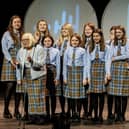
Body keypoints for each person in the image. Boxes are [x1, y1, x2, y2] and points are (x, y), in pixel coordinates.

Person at [16, 33, 47, 124]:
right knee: (31, 97)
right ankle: (32, 117)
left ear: (31, 40)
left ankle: (41, 117)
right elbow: (19, 64)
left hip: (38, 74)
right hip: (27, 74)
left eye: (26, 39)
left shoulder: (39, 49)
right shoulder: (21, 50)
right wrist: (18, 65)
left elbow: (41, 64)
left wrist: (32, 61)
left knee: (38, 96)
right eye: (23, 40)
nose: (24, 41)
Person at [0, 15, 24, 119]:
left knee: (18, 87)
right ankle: (5, 110)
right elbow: (4, 49)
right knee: (10, 86)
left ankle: (16, 111)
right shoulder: (7, 34)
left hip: (20, 59)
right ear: (12, 23)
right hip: (10, 60)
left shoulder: (22, 34)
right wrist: (11, 60)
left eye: (19, 22)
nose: (17, 24)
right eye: (15, 22)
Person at [106, 25, 129, 123]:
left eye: (120, 32)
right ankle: (117, 114)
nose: (118, 34)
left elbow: (128, 55)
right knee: (116, 94)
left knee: (123, 94)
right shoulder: (112, 43)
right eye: (116, 32)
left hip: (124, 68)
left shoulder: (127, 42)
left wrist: (116, 58)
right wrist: (108, 72)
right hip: (114, 69)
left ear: (123, 33)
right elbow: (109, 58)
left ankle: (122, 115)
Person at [63, 33, 87, 122]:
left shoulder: (82, 51)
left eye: (76, 40)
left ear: (79, 41)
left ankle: (78, 113)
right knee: (71, 96)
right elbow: (65, 65)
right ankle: (72, 113)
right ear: (70, 41)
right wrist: (65, 76)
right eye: (73, 40)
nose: (74, 42)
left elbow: (85, 65)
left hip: (79, 73)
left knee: (79, 96)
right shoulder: (67, 50)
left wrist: (85, 77)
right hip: (70, 73)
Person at [87, 29, 109, 123]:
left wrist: (106, 75)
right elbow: (88, 62)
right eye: (94, 36)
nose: (96, 37)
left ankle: (100, 115)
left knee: (101, 95)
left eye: (97, 36)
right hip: (92, 71)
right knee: (93, 96)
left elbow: (107, 61)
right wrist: (88, 76)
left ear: (101, 36)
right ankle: (95, 115)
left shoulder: (106, 47)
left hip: (101, 71)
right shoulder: (89, 47)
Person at [55, 23, 74, 116]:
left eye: (66, 29)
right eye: (62, 29)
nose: (63, 31)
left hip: (69, 67)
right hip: (60, 66)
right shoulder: (58, 41)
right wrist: (58, 46)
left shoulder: (73, 41)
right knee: (61, 90)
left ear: (70, 30)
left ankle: (70, 111)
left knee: (69, 90)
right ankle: (63, 110)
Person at [42, 35, 60, 121]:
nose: (47, 43)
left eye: (49, 41)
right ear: (43, 42)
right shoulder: (40, 50)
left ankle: (53, 113)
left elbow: (58, 64)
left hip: (53, 72)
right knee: (45, 95)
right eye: (45, 41)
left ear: (52, 42)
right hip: (44, 72)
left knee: (53, 95)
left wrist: (57, 77)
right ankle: (47, 114)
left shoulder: (56, 51)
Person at [81, 22, 96, 119]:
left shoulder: (95, 41)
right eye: (86, 29)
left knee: (93, 93)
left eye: (89, 29)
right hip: (82, 69)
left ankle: (91, 112)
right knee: (84, 92)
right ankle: (86, 111)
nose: (87, 31)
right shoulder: (82, 41)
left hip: (92, 69)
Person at [105, 25, 117, 124]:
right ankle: (109, 113)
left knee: (117, 94)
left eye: (115, 33)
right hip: (108, 69)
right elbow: (107, 60)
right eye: (112, 33)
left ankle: (117, 113)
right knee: (109, 94)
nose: (114, 35)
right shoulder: (106, 44)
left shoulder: (120, 43)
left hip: (117, 70)